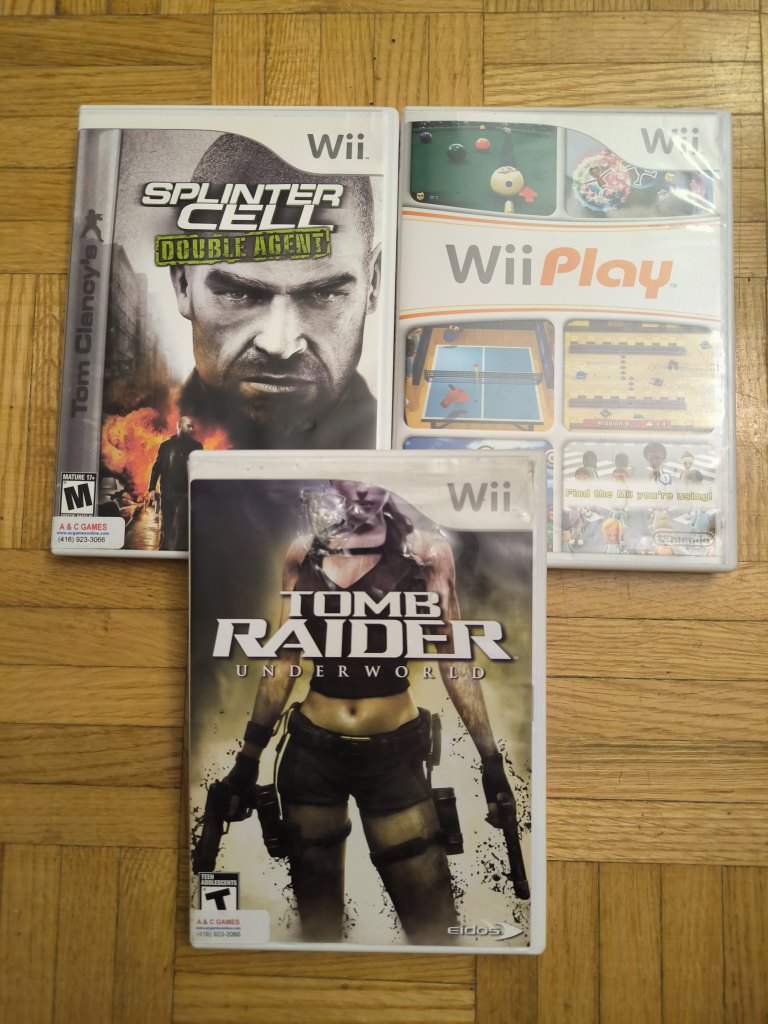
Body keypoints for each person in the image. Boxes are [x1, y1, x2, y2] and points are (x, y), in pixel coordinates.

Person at [215, 481, 517, 945]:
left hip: (394, 756)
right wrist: (247, 759)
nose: (362, 492)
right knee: (317, 928)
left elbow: (454, 657)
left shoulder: (425, 551)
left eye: (372, 483)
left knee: (434, 927)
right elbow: (283, 658)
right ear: (334, 482)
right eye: (350, 482)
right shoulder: (303, 552)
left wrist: (490, 760)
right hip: (310, 753)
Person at [171, 135, 382, 450]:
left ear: (373, 283)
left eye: (324, 295)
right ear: (183, 284)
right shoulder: (125, 448)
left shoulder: (405, 447)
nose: (279, 345)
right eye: (237, 294)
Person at [148, 416, 203, 550]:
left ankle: (179, 555)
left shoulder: (197, 446)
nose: (191, 429)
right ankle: (163, 552)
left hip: (186, 493)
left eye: (192, 426)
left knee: (183, 527)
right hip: (168, 492)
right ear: (179, 426)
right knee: (165, 526)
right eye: (188, 426)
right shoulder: (166, 446)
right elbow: (156, 468)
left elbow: (201, 469)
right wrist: (152, 488)